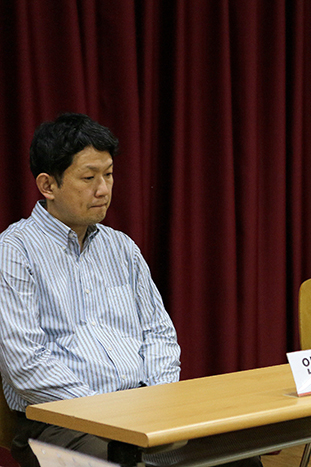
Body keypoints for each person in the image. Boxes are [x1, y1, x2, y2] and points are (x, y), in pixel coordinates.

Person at [0, 113, 262, 467]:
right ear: (48, 185)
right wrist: (107, 412)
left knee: (238, 457)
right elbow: (26, 364)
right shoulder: (14, 252)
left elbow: (159, 333)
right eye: (89, 178)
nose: (103, 189)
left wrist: (155, 401)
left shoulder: (121, 247)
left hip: (141, 411)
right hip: (60, 422)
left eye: (108, 175)